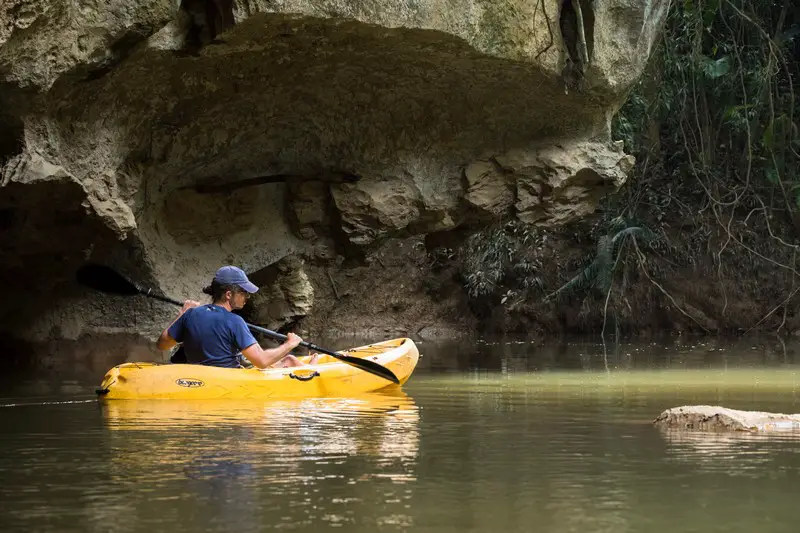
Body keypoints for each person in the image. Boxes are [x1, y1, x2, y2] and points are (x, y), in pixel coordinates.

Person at [156, 265, 314, 369]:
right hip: (229, 380)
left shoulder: (190, 314)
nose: (247, 297)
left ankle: (306, 366)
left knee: (286, 361)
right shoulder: (234, 321)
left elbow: (162, 345)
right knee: (290, 360)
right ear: (228, 294)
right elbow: (261, 361)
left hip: (200, 379)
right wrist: (290, 344)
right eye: (243, 292)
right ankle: (312, 371)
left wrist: (182, 313)